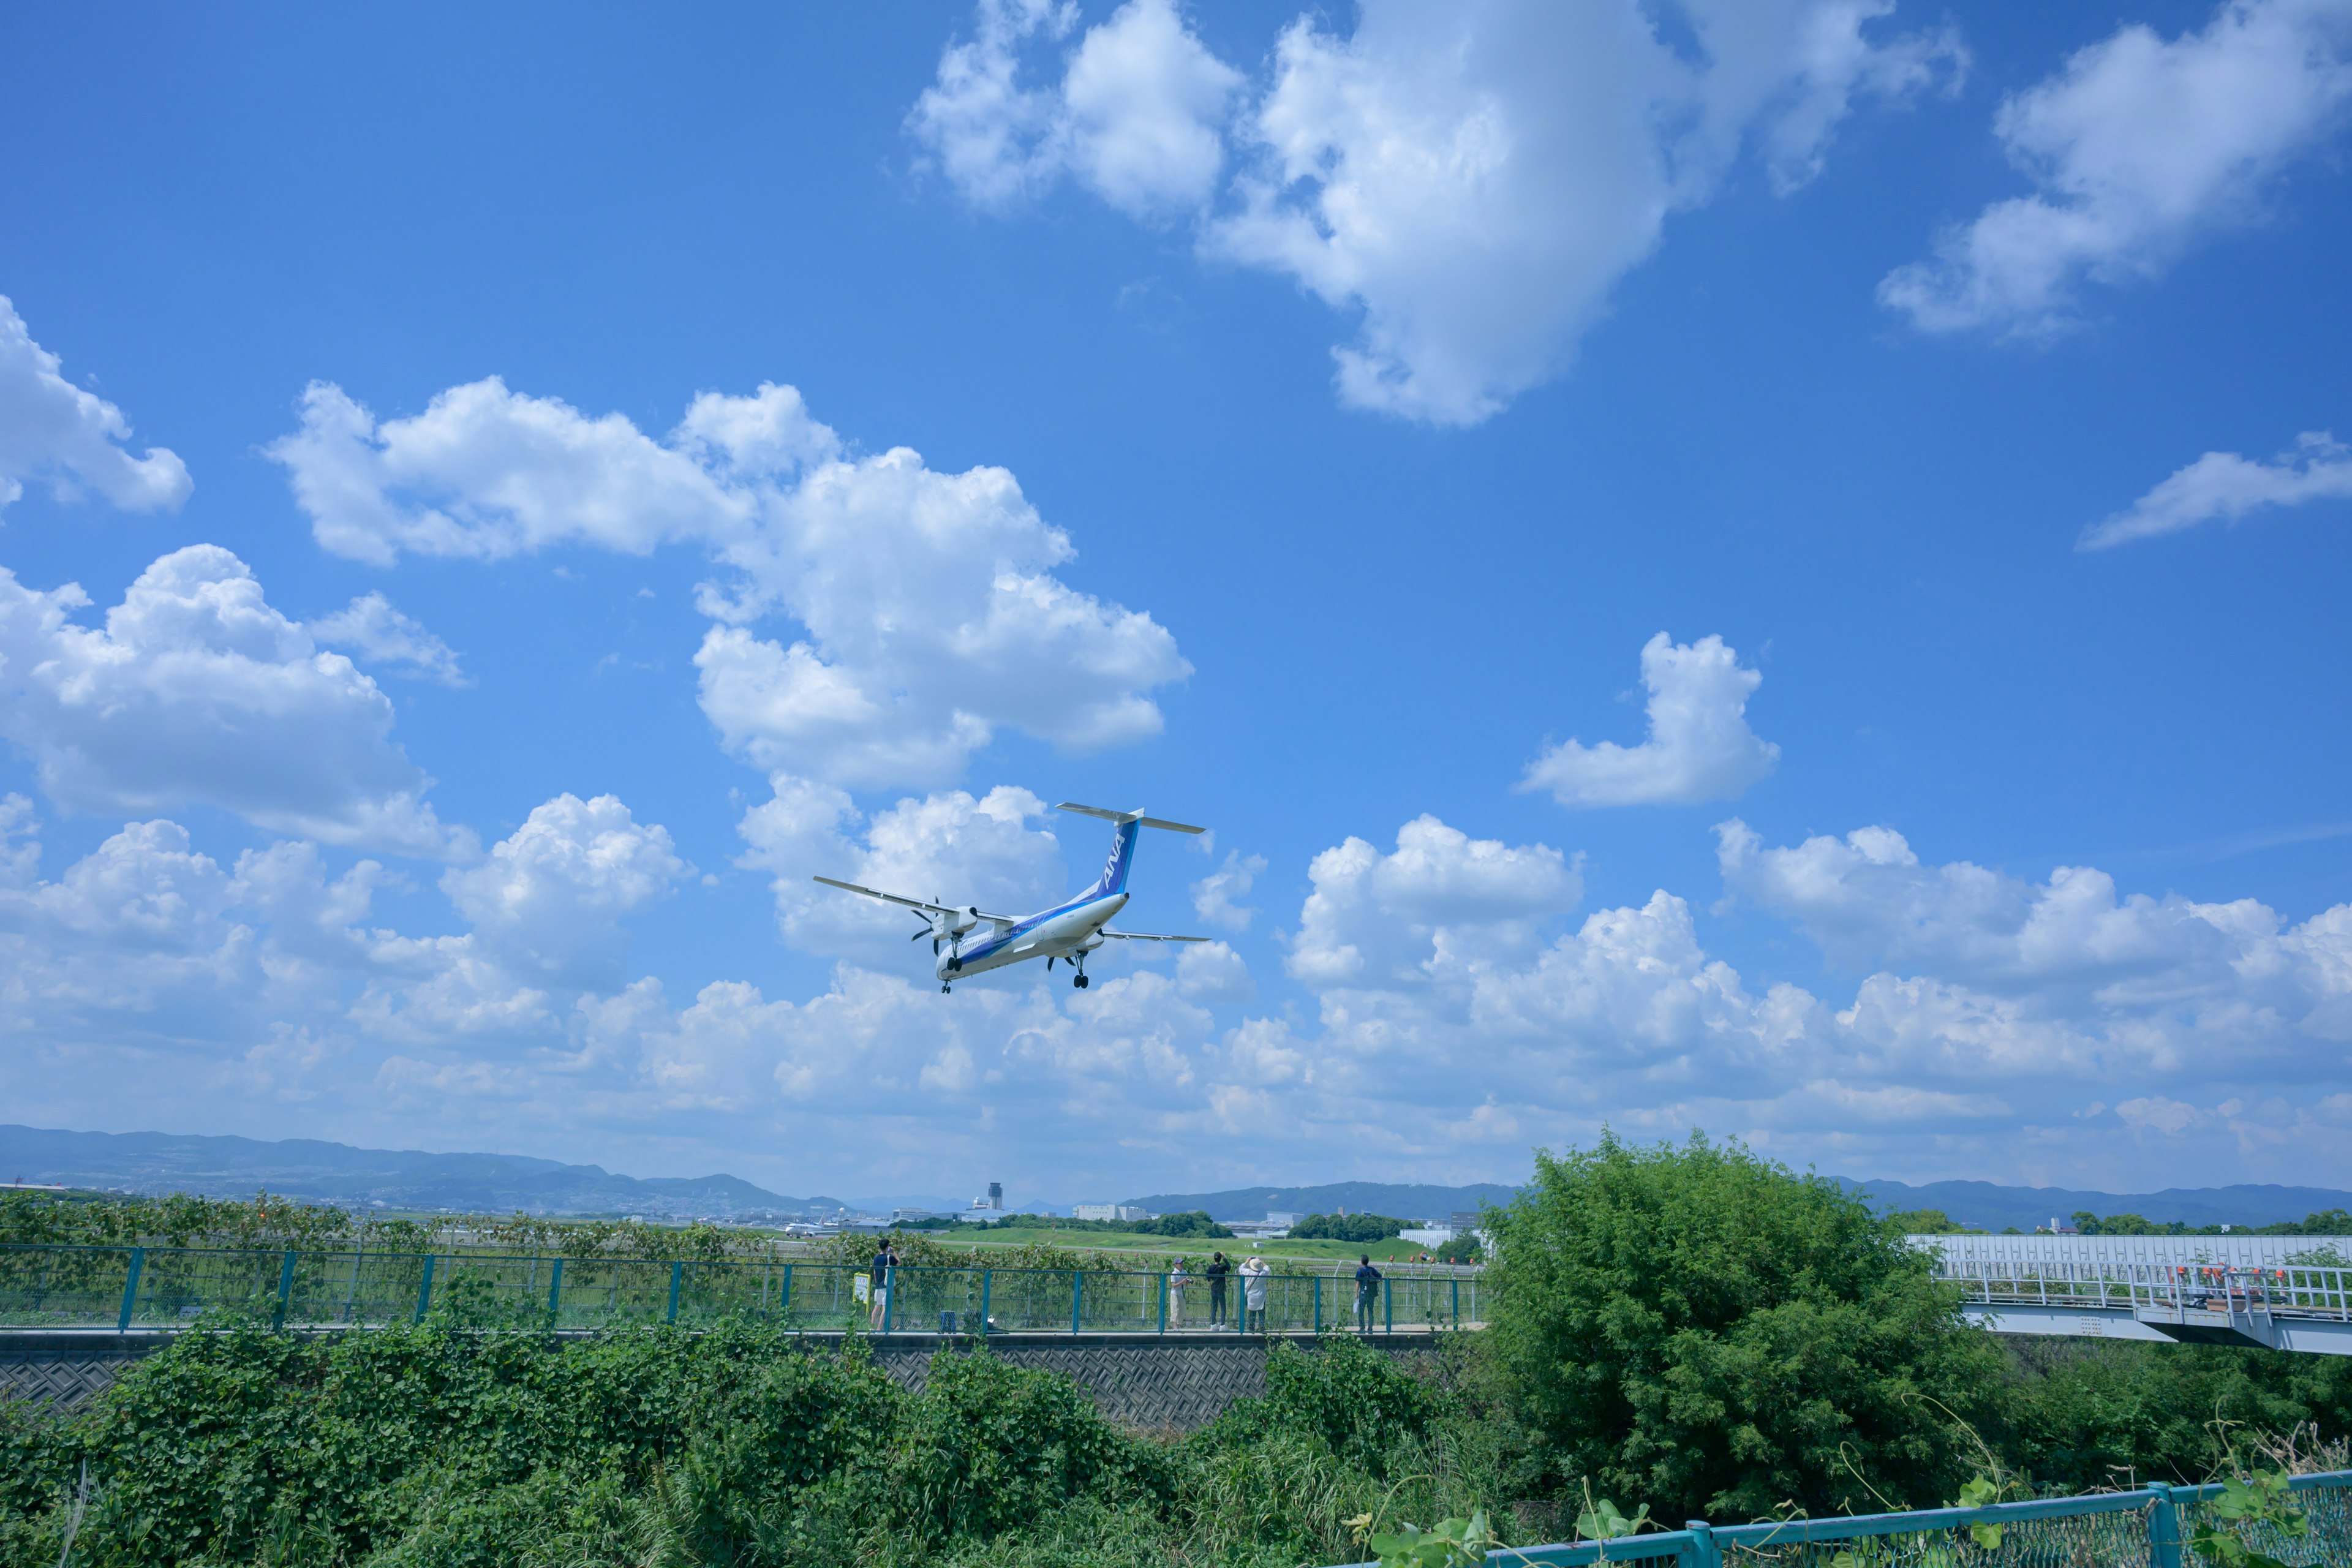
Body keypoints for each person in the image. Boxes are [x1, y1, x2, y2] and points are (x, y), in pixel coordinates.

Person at [869, 1239, 896, 1330]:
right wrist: (894, 1252)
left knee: (877, 1306)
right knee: (885, 1308)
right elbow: (899, 1262)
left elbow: (875, 1272)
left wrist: (877, 1282)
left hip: (878, 1286)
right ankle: (879, 1328)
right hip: (886, 1287)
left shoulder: (876, 1258)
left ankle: (871, 1326)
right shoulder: (888, 1258)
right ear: (887, 1247)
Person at [1241, 1254, 1270, 1333]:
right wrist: (1260, 1261)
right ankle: (1262, 1329)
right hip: (1261, 1296)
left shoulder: (1248, 1272)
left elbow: (1241, 1269)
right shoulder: (1263, 1273)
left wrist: (1247, 1261)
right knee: (1261, 1313)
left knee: (1252, 1313)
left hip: (1251, 1296)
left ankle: (1251, 1329)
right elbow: (1268, 1268)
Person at [1354, 1254, 1382, 1333]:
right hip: (1371, 1293)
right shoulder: (1372, 1270)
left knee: (1361, 1311)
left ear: (1361, 1261)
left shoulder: (1360, 1271)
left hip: (1363, 1293)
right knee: (1370, 1311)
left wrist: (1356, 1293)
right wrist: (1375, 1282)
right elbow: (1380, 1278)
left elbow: (1358, 1283)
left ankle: (1362, 1328)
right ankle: (1370, 1328)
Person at [1204, 1251, 1231, 1329]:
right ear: (1220, 1259)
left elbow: (1208, 1278)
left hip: (1214, 1290)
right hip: (1221, 1290)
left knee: (1214, 1307)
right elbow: (1229, 1267)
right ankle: (1222, 1325)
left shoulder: (1211, 1267)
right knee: (1223, 1308)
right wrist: (1224, 1258)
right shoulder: (1222, 1267)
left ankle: (1213, 1324)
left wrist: (1211, 1287)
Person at [1167, 1258, 1189, 1329]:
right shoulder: (1174, 1274)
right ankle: (1175, 1327)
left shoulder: (1185, 1272)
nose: (1182, 1265)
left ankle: (1179, 1325)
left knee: (1182, 1310)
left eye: (1182, 1263)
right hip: (1175, 1293)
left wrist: (1188, 1282)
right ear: (1176, 1265)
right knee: (1175, 1309)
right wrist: (1182, 1282)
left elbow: (1186, 1282)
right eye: (1180, 1264)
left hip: (1181, 1293)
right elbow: (1174, 1286)